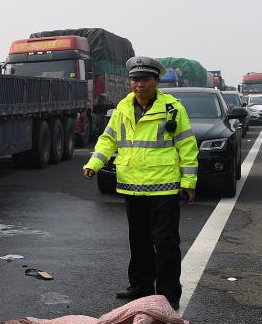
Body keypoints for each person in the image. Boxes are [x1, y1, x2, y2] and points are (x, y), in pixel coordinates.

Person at [82, 56, 199, 310]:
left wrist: (189, 181)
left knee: (166, 243)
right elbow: (108, 139)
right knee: (139, 240)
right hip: (132, 185)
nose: (139, 85)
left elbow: (187, 146)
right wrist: (94, 164)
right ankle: (140, 286)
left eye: (145, 80)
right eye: (135, 80)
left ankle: (168, 295)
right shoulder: (123, 107)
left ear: (156, 81)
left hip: (164, 186)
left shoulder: (172, 108)